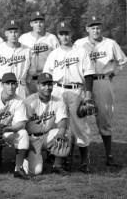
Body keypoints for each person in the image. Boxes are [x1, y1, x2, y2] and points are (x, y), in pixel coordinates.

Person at [73, 16, 127, 167]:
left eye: (98, 27)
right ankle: (75, 154)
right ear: (87, 29)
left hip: (103, 81)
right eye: (92, 27)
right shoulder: (79, 43)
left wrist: (112, 74)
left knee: (104, 117)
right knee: (79, 116)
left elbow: (122, 60)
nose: (95, 30)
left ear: (101, 28)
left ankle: (109, 154)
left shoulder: (110, 43)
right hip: (84, 82)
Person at [43, 21, 96, 172]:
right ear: (58, 35)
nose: (64, 36)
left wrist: (88, 96)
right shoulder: (54, 54)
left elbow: (89, 74)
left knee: (79, 126)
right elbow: (47, 75)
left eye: (67, 33)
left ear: (71, 34)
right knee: (59, 124)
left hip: (76, 91)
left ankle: (85, 161)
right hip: (57, 91)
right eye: (61, 33)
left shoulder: (81, 51)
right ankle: (63, 158)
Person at [23, 73, 69, 175]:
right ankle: (25, 157)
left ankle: (57, 165)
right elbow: (22, 125)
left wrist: (60, 134)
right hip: (32, 139)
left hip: (47, 136)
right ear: (37, 85)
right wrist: (25, 144)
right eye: (44, 85)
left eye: (49, 84)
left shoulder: (58, 101)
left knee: (65, 132)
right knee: (36, 171)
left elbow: (62, 121)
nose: (47, 87)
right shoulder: (29, 101)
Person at [0, 20, 36, 99]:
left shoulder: (27, 50)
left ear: (19, 33)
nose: (13, 34)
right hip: (2, 86)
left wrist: (26, 82)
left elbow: (32, 70)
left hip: (20, 87)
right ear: (6, 33)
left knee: (21, 110)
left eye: (15, 32)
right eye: (10, 32)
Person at [19, 11, 59, 94]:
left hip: (46, 79)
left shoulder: (51, 38)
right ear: (31, 24)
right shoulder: (24, 38)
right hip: (28, 80)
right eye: (35, 22)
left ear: (44, 23)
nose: (38, 24)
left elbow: (58, 59)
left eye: (41, 22)